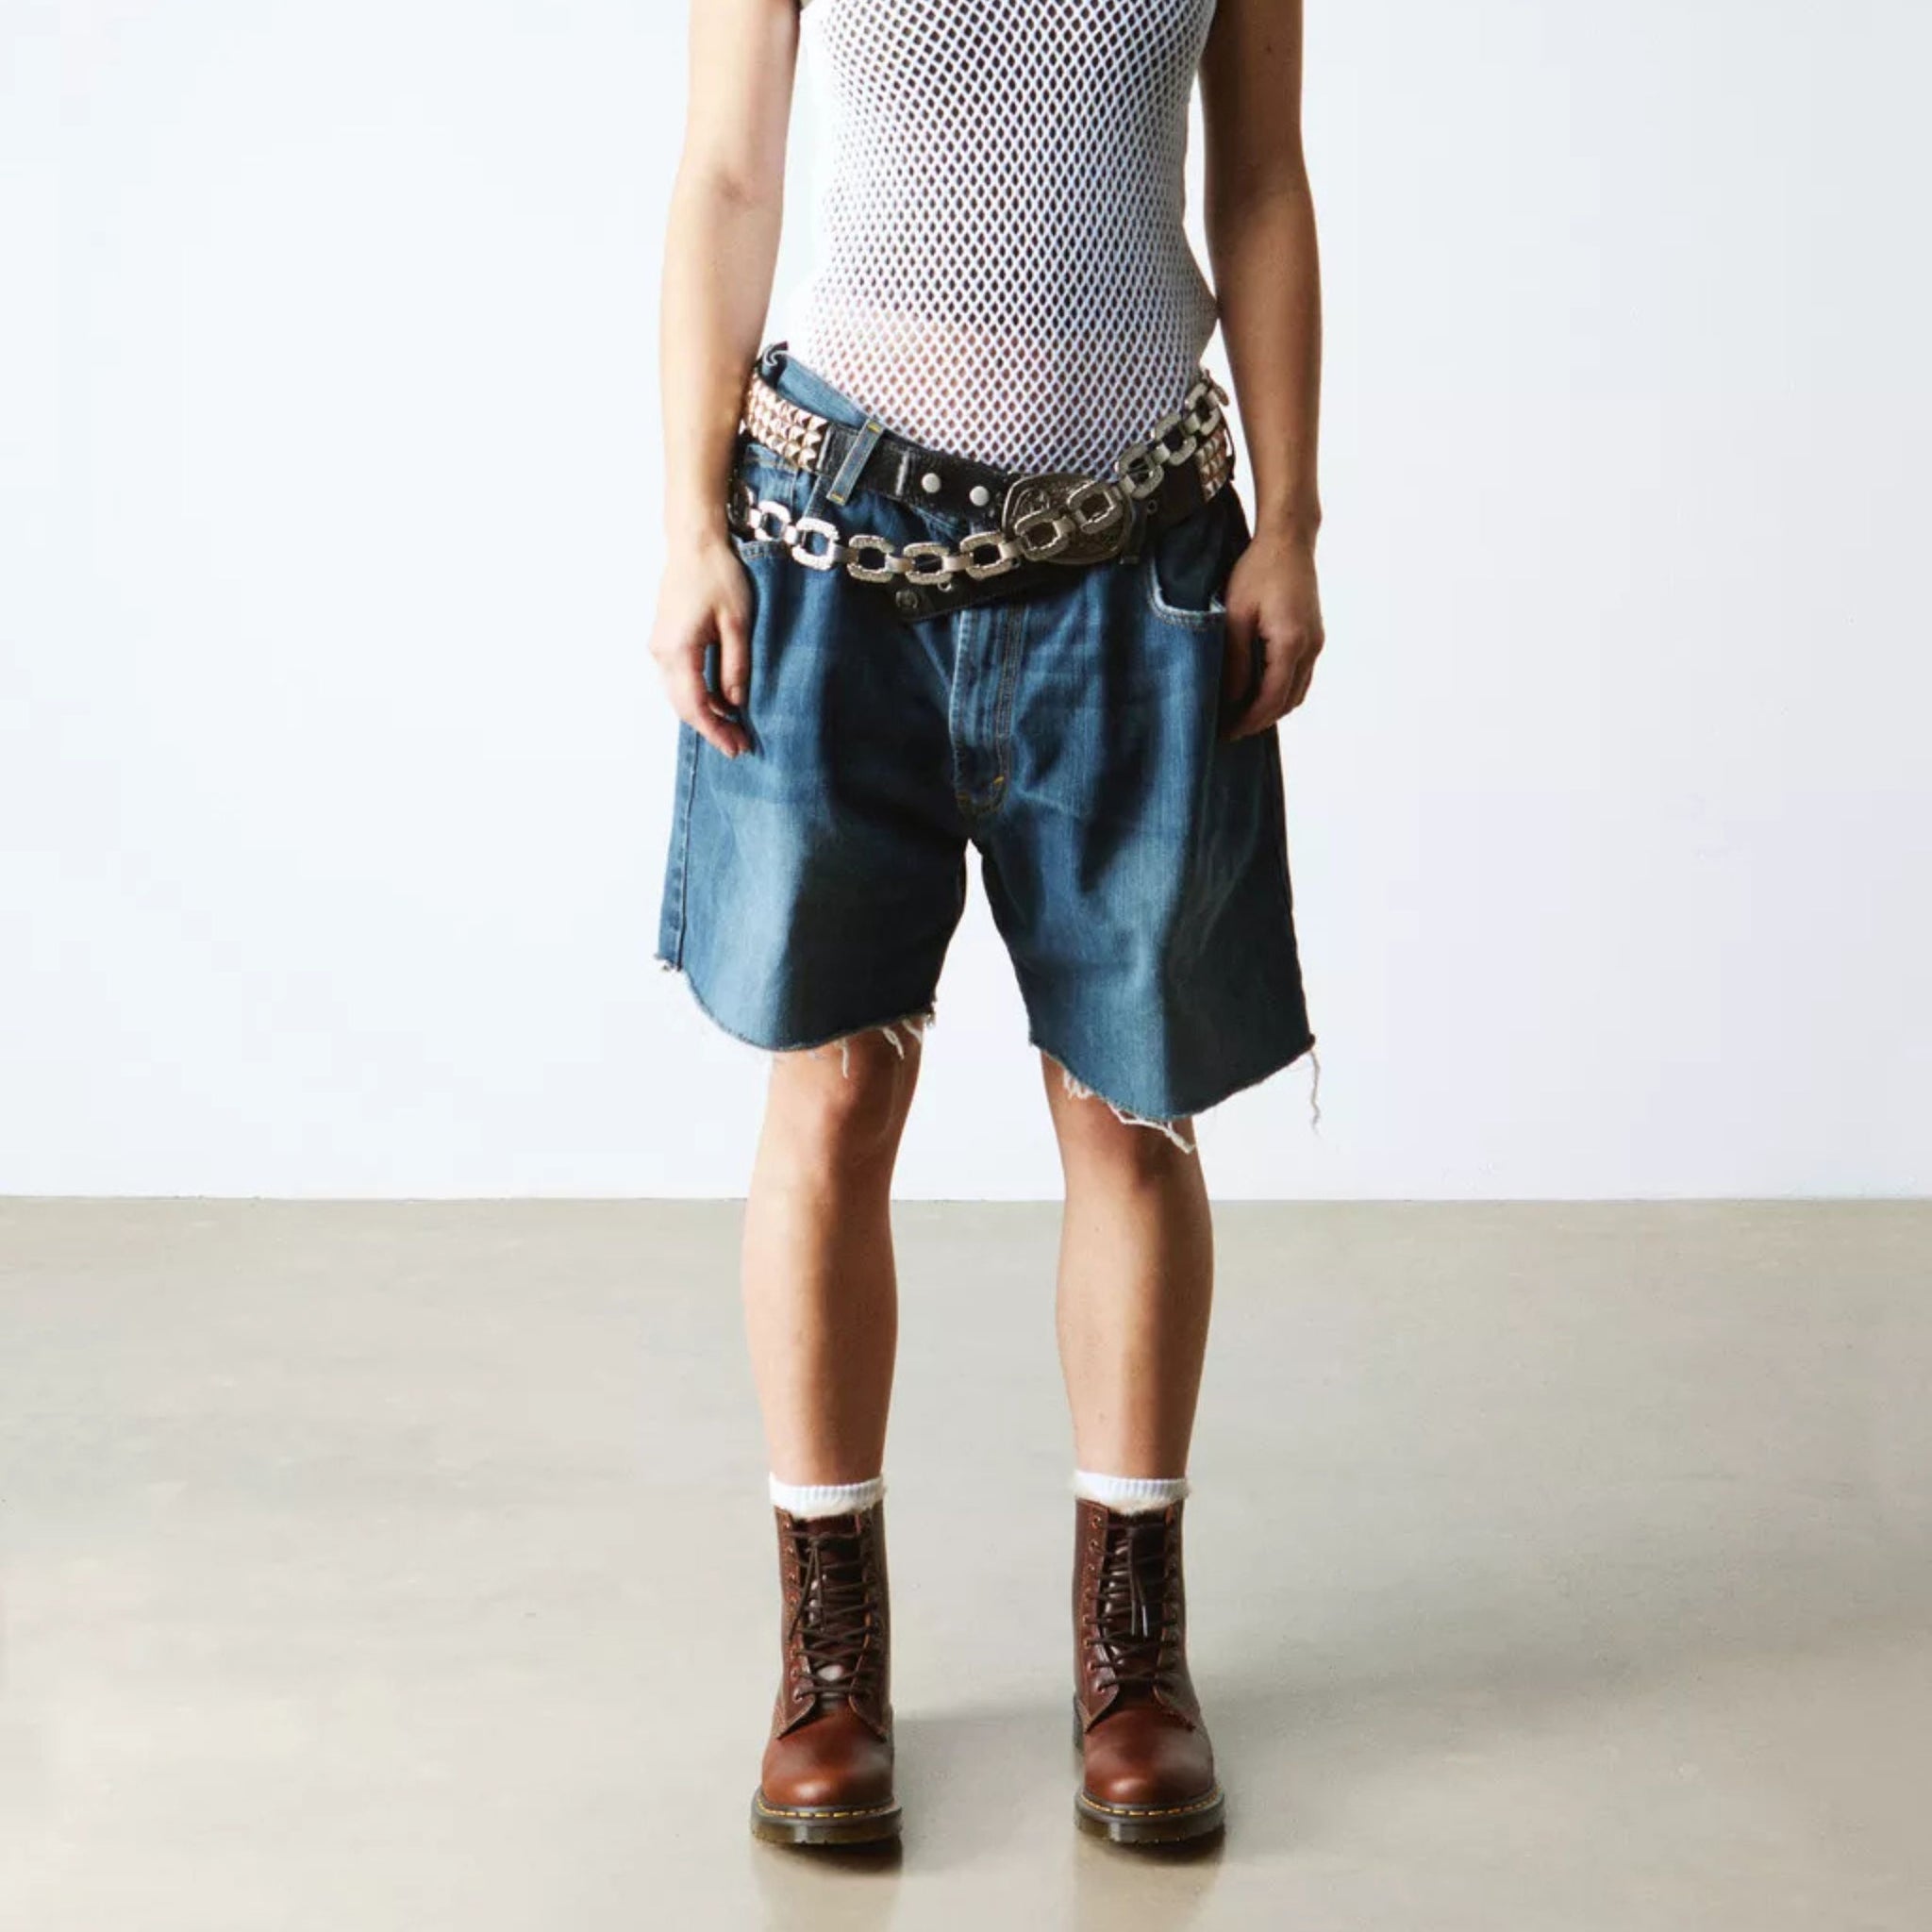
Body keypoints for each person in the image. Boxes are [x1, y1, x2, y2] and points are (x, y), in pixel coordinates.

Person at [648, 0, 1324, 1848]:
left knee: (1128, 1106)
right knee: (834, 1097)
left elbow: (1261, 181)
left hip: (1145, 561)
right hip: (827, 547)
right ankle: (828, 1663)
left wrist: (1291, 518)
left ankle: (1133, 1658)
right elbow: (727, 174)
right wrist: (686, 520)